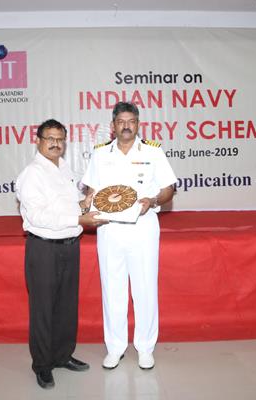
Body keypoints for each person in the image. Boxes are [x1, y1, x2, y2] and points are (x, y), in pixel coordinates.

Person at [81, 102, 177, 370]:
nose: (126, 126)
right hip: (109, 228)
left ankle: (146, 348)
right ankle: (115, 347)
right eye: (121, 121)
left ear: (138, 124)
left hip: (143, 227)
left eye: (131, 121)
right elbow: (90, 189)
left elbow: (169, 188)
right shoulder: (100, 155)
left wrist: (155, 199)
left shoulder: (153, 152)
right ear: (113, 126)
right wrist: (86, 201)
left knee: (145, 288)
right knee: (112, 289)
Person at [16, 119, 105, 388]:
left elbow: (66, 207)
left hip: (69, 246)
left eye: (60, 139)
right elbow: (39, 216)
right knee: (43, 309)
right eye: (50, 138)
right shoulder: (31, 174)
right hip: (43, 248)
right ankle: (42, 365)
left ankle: (63, 355)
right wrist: (80, 220)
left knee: (66, 306)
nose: (55, 143)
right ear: (39, 140)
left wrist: (84, 203)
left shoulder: (64, 168)